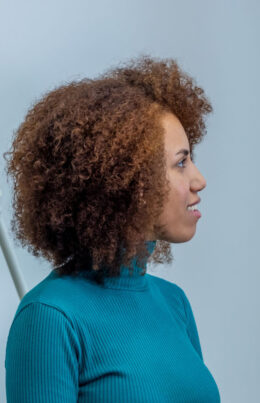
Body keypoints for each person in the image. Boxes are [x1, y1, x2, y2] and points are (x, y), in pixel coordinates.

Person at [4, 57, 220, 402]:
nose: (199, 179)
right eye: (180, 162)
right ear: (125, 182)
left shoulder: (174, 303)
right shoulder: (49, 317)